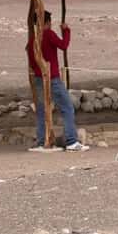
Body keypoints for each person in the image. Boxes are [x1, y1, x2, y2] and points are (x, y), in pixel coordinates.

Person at [27, 10, 88, 152]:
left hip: (38, 78)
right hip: (52, 78)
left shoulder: (32, 39)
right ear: (47, 22)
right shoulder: (48, 34)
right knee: (67, 107)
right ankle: (71, 141)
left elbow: (32, 60)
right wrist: (66, 31)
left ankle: (41, 141)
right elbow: (63, 45)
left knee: (42, 110)